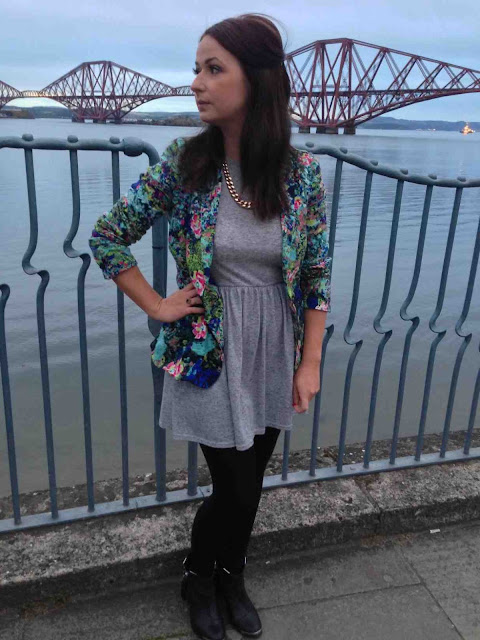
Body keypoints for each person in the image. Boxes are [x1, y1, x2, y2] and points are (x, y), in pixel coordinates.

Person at [89, 12, 332, 640]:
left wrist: (310, 362)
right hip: (210, 349)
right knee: (236, 489)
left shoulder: (302, 174)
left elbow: (316, 275)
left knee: (250, 485)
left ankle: (231, 576)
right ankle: (200, 578)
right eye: (196, 68)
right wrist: (156, 305)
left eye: (213, 68)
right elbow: (108, 237)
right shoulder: (185, 163)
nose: (196, 82)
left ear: (257, 80)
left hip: (273, 349)